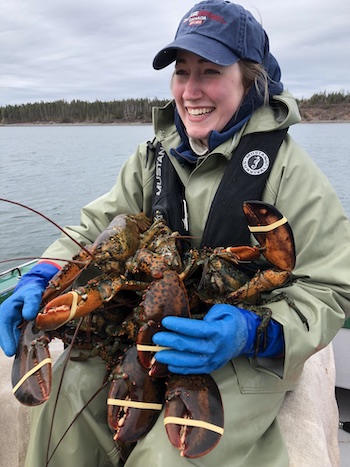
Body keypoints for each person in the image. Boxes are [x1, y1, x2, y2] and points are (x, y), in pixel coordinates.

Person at [1, 1, 349, 466]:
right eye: (182, 72)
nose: (191, 90)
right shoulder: (154, 155)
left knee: (169, 457)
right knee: (67, 399)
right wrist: (44, 272)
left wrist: (253, 332)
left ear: (250, 80)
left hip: (243, 346)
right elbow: (94, 230)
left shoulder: (289, 170)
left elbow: (331, 289)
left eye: (210, 71)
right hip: (149, 328)